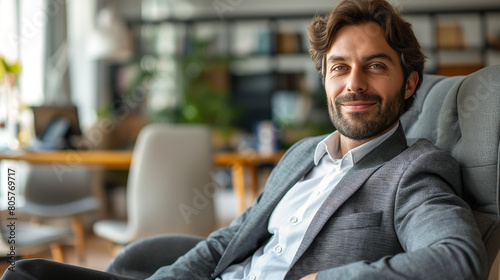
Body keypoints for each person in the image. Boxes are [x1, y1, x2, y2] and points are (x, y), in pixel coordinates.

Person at [2, 0, 487, 279]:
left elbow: (457, 259)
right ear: (324, 80)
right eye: (339, 67)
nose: (353, 83)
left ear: (409, 83)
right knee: (26, 273)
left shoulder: (414, 170)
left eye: (375, 66)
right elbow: (232, 238)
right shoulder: (302, 154)